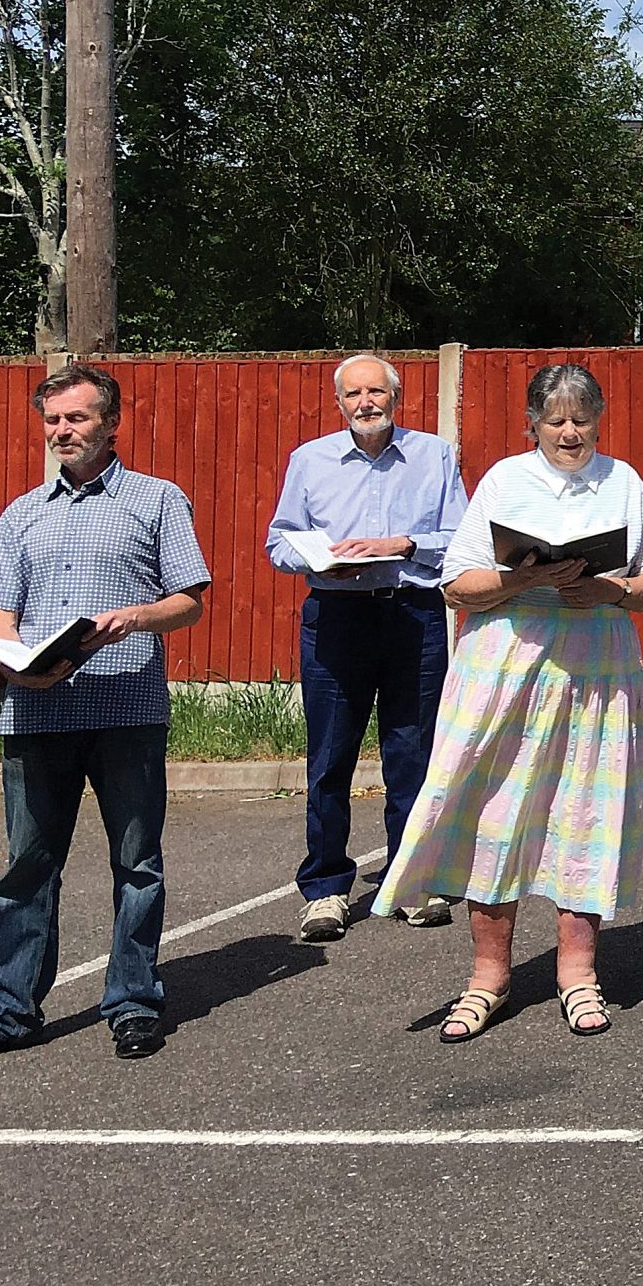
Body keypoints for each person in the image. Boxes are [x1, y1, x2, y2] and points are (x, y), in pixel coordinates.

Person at [375, 364, 643, 1042]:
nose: (569, 433)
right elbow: (457, 585)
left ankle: (577, 973)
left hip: (596, 674)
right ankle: (489, 976)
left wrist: (614, 592)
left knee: (586, 813)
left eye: (581, 419)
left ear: (598, 420)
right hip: (504, 672)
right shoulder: (506, 482)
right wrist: (521, 578)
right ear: (532, 424)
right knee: (496, 817)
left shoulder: (623, 481)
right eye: (555, 420)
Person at [0, 366, 210, 1062]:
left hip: (127, 707)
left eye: (76, 419)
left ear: (111, 424)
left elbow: (191, 597)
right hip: (37, 713)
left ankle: (133, 1002)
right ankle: (6, 1010)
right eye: (52, 421)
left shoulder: (158, 499)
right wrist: (17, 662)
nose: (62, 432)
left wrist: (137, 615)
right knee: (26, 868)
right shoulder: (22, 512)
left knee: (136, 863)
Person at [265, 354, 470, 938]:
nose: (365, 403)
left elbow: (460, 537)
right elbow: (279, 542)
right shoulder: (310, 460)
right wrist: (321, 561)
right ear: (339, 402)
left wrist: (403, 543)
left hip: (414, 616)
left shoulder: (433, 455)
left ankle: (409, 881)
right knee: (330, 757)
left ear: (396, 396)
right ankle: (326, 887)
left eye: (375, 391)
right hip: (336, 616)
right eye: (353, 394)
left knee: (413, 754)